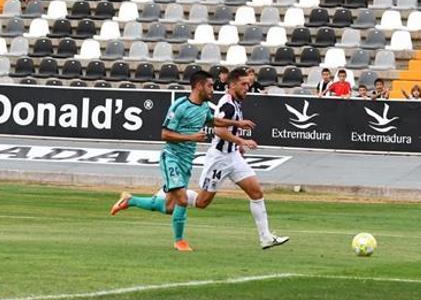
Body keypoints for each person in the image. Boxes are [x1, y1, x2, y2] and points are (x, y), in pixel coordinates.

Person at [109, 70, 255, 252]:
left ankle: (130, 200)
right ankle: (179, 241)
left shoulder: (203, 107)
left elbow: (213, 121)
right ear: (199, 86)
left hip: (186, 162)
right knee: (183, 200)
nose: (212, 89)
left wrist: (238, 124)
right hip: (171, 158)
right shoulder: (180, 106)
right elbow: (165, 134)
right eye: (209, 85)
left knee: (170, 207)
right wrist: (192, 137)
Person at [176, 68, 288, 249]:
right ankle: (171, 193)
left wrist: (237, 146)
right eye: (243, 84)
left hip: (233, 156)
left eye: (248, 84)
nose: (247, 88)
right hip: (219, 159)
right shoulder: (227, 105)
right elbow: (219, 130)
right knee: (202, 202)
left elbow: (229, 130)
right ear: (232, 84)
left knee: (256, 193)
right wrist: (242, 140)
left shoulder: (236, 102)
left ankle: (265, 237)